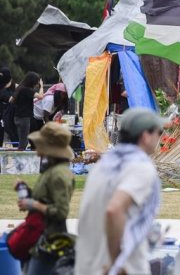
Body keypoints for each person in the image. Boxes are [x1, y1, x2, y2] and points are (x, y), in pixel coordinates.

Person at [75, 108, 165, 275]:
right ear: (145, 136)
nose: (159, 138)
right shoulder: (139, 167)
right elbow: (114, 209)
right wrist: (116, 262)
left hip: (87, 265)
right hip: (119, 267)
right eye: (158, 132)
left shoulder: (104, 166)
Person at [17, 122, 75, 274]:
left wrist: (33, 204)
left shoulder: (58, 175)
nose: (37, 152)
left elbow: (61, 211)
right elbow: (45, 199)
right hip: (40, 237)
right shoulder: (52, 171)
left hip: (50, 241)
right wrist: (28, 194)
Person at [10, 72, 43, 150]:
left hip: (17, 117)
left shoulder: (20, 88)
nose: (37, 83)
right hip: (24, 118)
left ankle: (19, 160)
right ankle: (19, 161)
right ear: (32, 81)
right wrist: (41, 87)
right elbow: (40, 96)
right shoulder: (27, 90)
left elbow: (11, 100)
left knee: (22, 140)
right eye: (37, 81)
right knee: (23, 142)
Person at [0, 67, 17, 146]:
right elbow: (10, 99)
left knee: (14, 135)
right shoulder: (2, 89)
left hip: (13, 115)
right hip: (3, 115)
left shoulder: (13, 85)